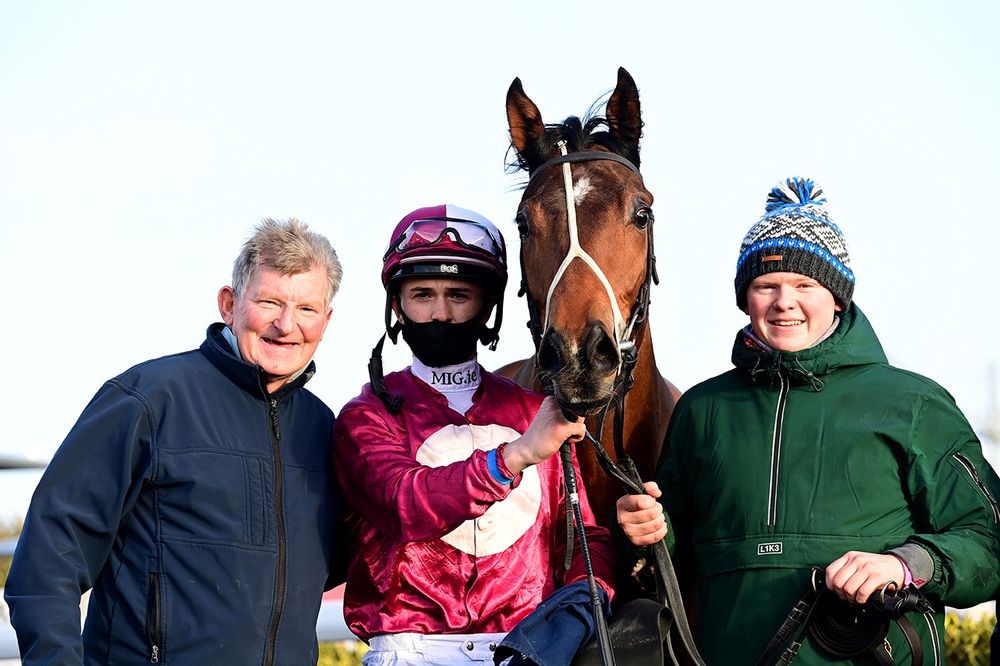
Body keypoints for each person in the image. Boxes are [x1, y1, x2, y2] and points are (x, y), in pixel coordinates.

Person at [617, 178, 1000, 664]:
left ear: (838, 296)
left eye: (805, 285)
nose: (784, 301)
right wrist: (649, 529)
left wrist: (905, 564)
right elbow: (671, 563)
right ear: (745, 298)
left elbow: (987, 539)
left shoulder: (914, 403)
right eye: (765, 285)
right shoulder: (702, 409)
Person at [5, 218, 344, 664]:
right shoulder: (147, 400)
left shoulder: (324, 429)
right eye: (269, 302)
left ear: (326, 319)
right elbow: (50, 553)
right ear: (229, 304)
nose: (286, 324)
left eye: (306, 309)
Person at [332, 204, 615, 666]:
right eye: (422, 294)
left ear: (487, 306)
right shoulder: (366, 416)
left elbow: (583, 537)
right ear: (397, 305)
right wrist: (515, 456)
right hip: (409, 653)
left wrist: (582, 605)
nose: (440, 313)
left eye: (458, 295)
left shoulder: (533, 410)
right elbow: (405, 505)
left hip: (524, 651)